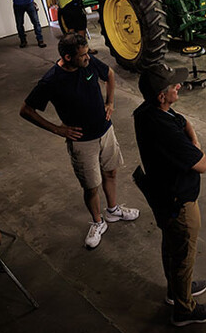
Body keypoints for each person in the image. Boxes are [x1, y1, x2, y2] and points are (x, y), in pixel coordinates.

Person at [20, 32, 137, 249]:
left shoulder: (89, 64)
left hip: (105, 131)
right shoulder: (51, 80)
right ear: (66, 57)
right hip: (83, 142)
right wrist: (57, 129)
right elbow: (26, 110)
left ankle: (112, 211)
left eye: (87, 53)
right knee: (91, 186)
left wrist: (110, 102)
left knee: (111, 172)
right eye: (82, 55)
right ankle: (97, 222)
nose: (88, 58)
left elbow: (109, 74)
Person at [133, 63, 206, 326]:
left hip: (162, 196)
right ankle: (184, 309)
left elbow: (184, 121)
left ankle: (176, 290)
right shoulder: (165, 131)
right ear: (161, 96)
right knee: (182, 255)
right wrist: (196, 143)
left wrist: (189, 133)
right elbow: (202, 164)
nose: (178, 85)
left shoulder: (146, 112)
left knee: (171, 247)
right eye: (173, 85)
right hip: (179, 202)